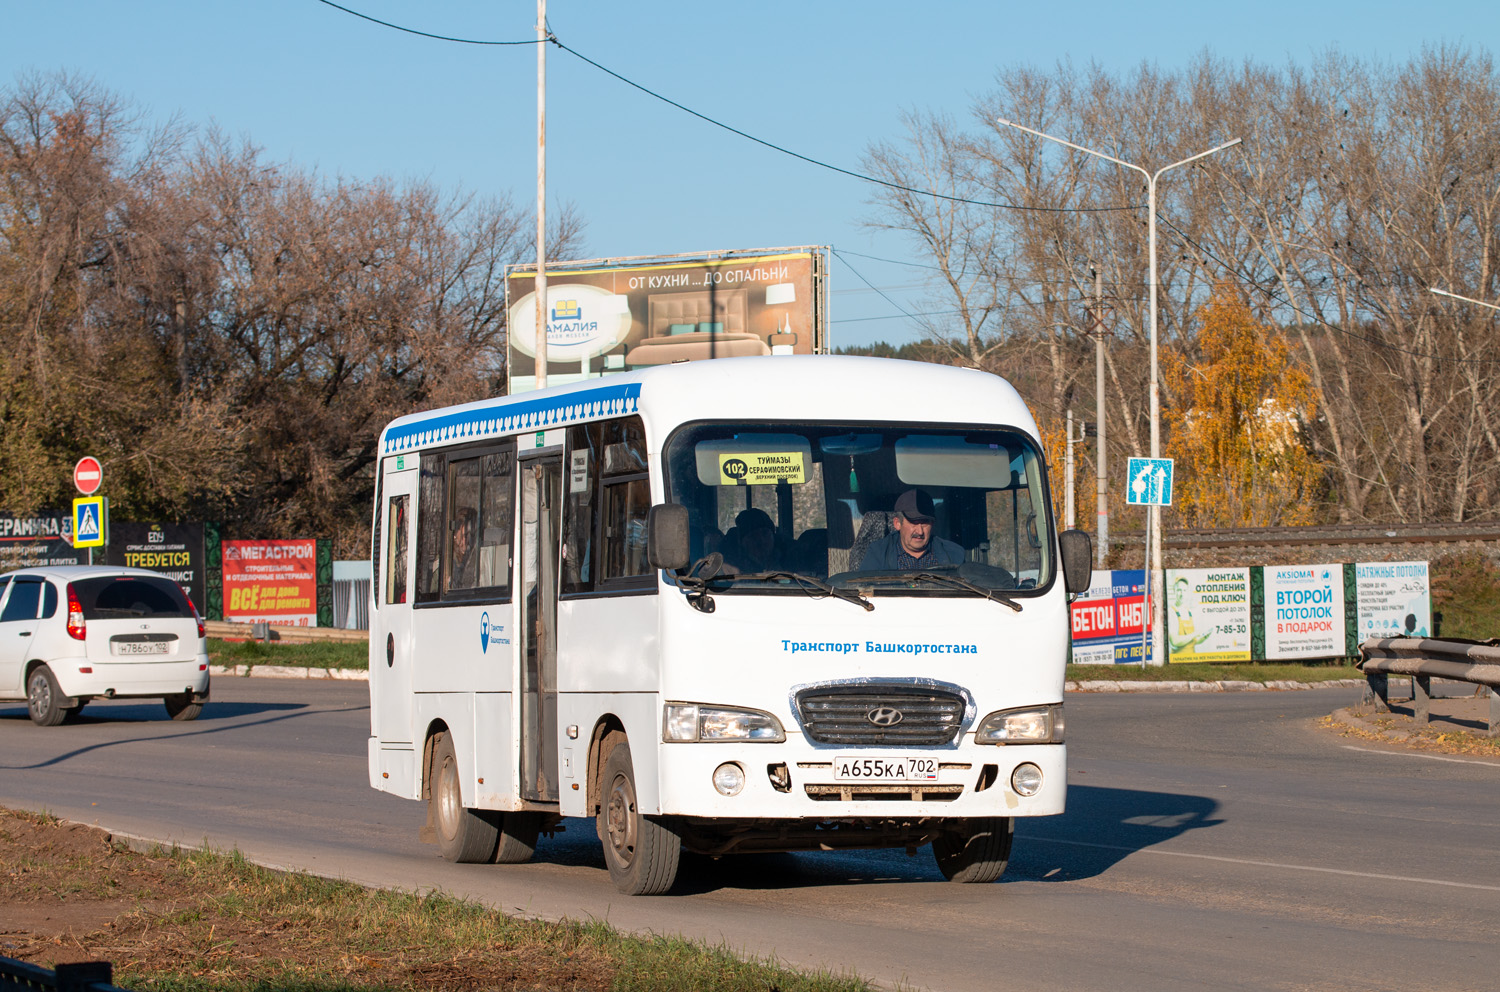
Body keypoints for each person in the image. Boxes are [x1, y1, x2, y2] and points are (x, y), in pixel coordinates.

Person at [859, 489, 964, 570]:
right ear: (897, 523)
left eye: (925, 523)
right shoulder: (878, 553)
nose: (920, 531)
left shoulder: (954, 554)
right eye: (913, 522)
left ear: (933, 523)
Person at [723, 507, 782, 573]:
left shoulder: (786, 560)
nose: (761, 541)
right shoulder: (733, 568)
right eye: (753, 536)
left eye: (765, 534)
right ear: (743, 542)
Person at [448, 506, 478, 590]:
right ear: (455, 534)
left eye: (472, 536)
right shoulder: (447, 564)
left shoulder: (475, 559)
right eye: (464, 535)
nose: (468, 542)